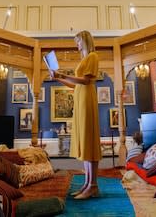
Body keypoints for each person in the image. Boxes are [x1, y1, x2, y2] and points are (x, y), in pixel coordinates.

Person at [49, 30, 101, 200]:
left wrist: (63, 74)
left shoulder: (92, 56)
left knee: (89, 140)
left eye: (78, 41)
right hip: (80, 100)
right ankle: (87, 184)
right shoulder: (85, 59)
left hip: (87, 101)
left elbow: (86, 81)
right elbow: (76, 86)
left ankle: (93, 186)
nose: (77, 45)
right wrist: (58, 78)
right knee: (85, 141)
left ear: (85, 40)